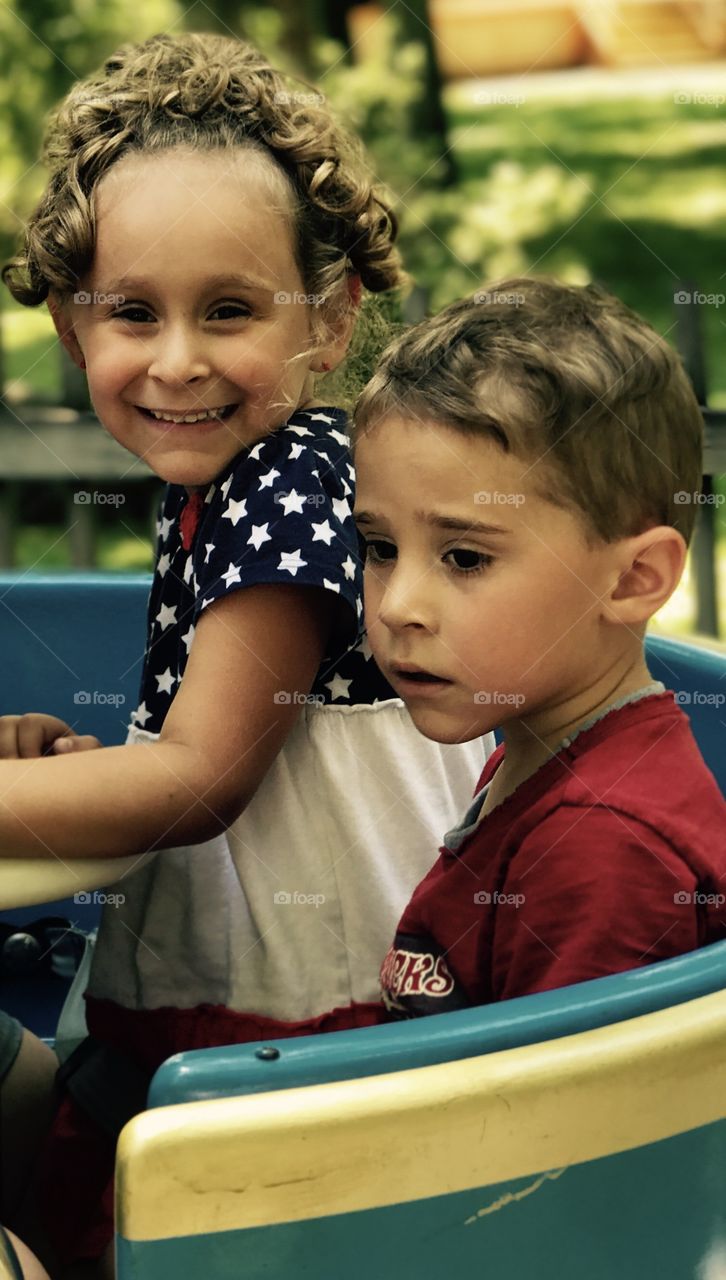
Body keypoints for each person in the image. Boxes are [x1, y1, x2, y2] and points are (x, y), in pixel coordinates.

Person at [0, 31, 490, 1269]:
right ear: (72, 325)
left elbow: (204, 781)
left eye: (228, 310)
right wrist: (77, 766)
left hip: (303, 1023)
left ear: (329, 318)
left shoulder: (287, 483)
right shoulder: (231, 479)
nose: (178, 360)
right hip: (249, 998)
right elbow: (227, 739)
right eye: (133, 312)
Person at [350, 277, 726, 1019]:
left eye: (465, 558)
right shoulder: (538, 752)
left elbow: (555, 1094)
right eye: (380, 548)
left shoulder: (604, 847)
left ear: (634, 579)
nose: (396, 607)